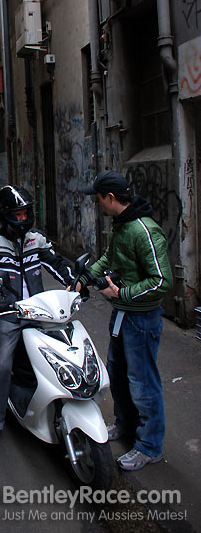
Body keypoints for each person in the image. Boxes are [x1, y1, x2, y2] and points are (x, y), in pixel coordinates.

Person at [81, 170, 173, 471]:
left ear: (110, 197)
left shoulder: (144, 230)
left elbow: (162, 280)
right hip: (122, 315)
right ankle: (126, 424)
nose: (97, 204)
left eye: (98, 199)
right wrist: (86, 278)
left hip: (142, 319)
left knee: (143, 383)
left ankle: (149, 446)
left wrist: (123, 292)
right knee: (118, 375)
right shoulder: (121, 225)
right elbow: (110, 258)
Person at [0, 185, 74, 452]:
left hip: (41, 310)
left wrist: (76, 282)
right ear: (4, 215)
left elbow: (57, 263)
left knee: (64, 352)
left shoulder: (36, 239)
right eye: (17, 214)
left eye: (26, 213)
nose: (22, 218)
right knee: (3, 364)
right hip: (9, 312)